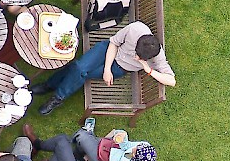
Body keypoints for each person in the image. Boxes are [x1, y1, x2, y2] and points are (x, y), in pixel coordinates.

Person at [32, 21, 176, 115]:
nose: (136, 58)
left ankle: (52, 90)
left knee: (81, 71)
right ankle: (55, 93)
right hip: (108, 50)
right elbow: (114, 43)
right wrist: (107, 69)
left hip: (119, 68)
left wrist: (148, 69)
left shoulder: (157, 56)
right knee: (78, 67)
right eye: (136, 54)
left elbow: (171, 81)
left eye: (140, 58)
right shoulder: (136, 29)